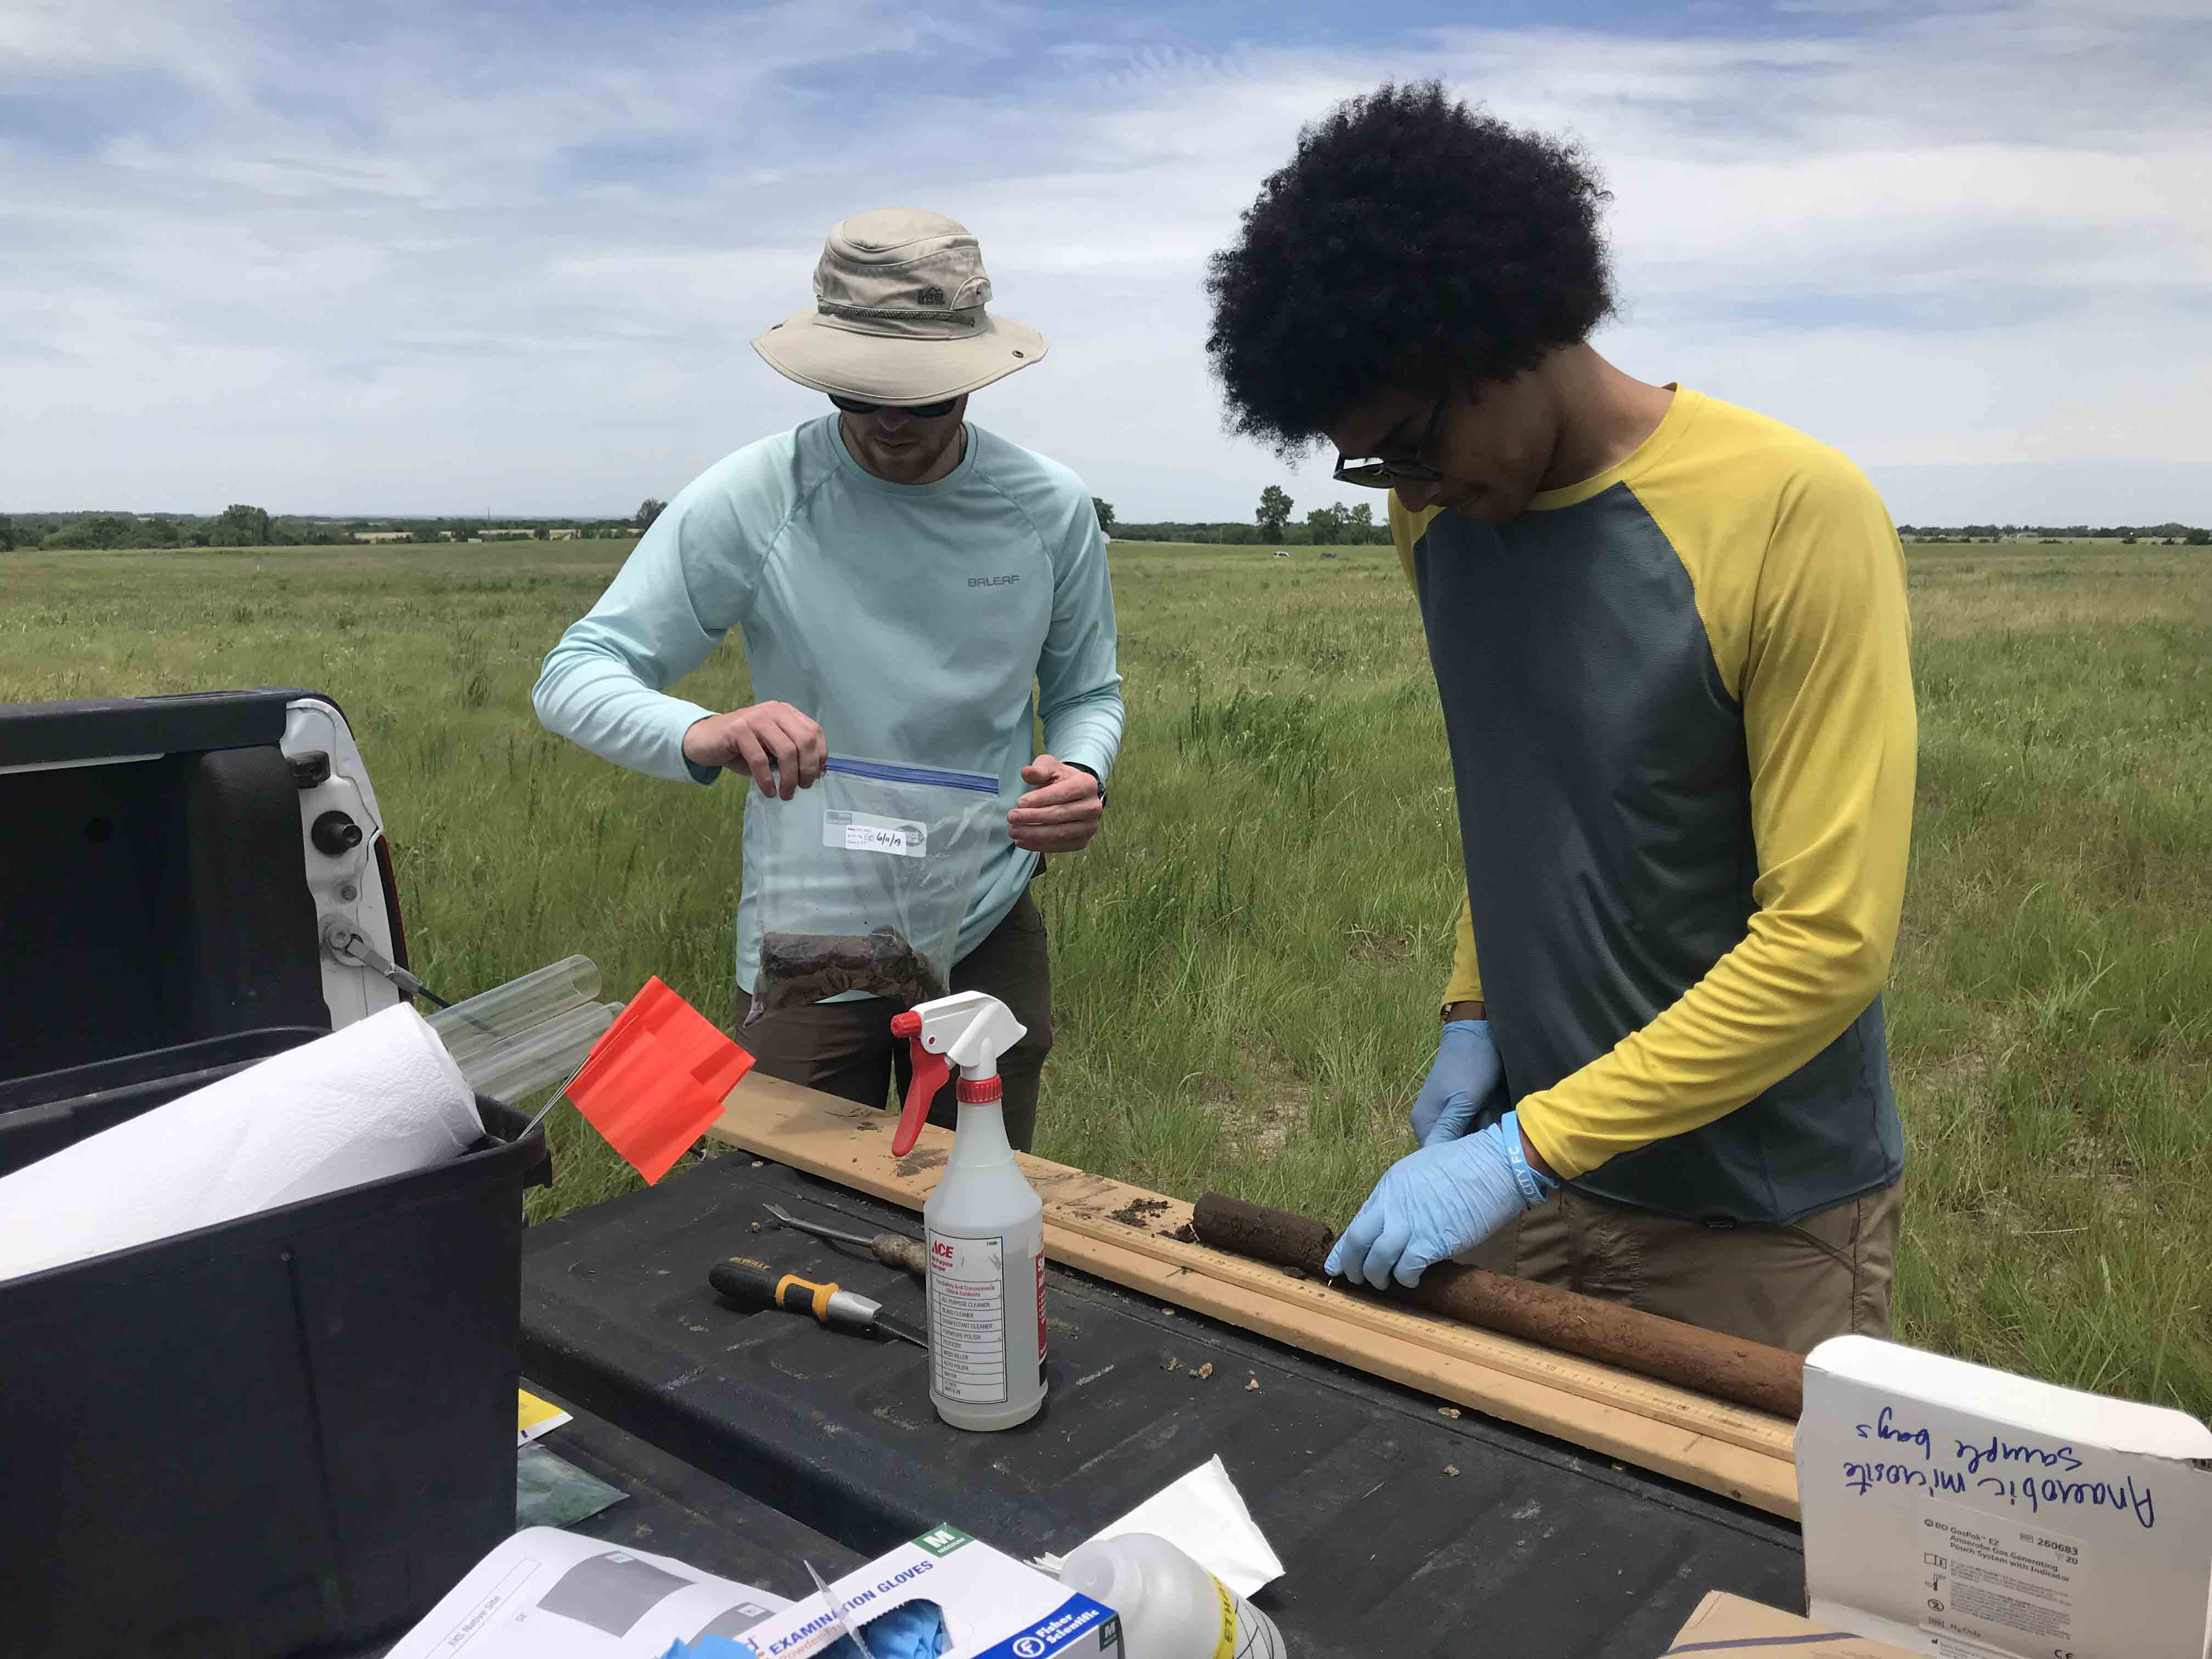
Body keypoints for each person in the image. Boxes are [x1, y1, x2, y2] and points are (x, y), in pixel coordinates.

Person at [1204, 84, 1916, 1352]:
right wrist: (1476, 1018)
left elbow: (1828, 944)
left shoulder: (1794, 509)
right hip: (1535, 1168)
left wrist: (1523, 1153)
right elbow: (1534, 803)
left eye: (1416, 445)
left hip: (1756, 1217)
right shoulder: (1435, 515)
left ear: (1513, 328)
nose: (1410, 488)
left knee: (1738, 1550)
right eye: (1372, 466)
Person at [534, 208, 1123, 1153]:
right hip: (812, 924)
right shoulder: (759, 495)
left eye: (924, 397)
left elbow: (1089, 691)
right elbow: (574, 674)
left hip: (986, 914)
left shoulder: (1045, 508)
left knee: (982, 1197)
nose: (890, 420)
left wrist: (1085, 770)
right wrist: (707, 732)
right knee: (787, 1192)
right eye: (859, 392)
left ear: (972, 375)